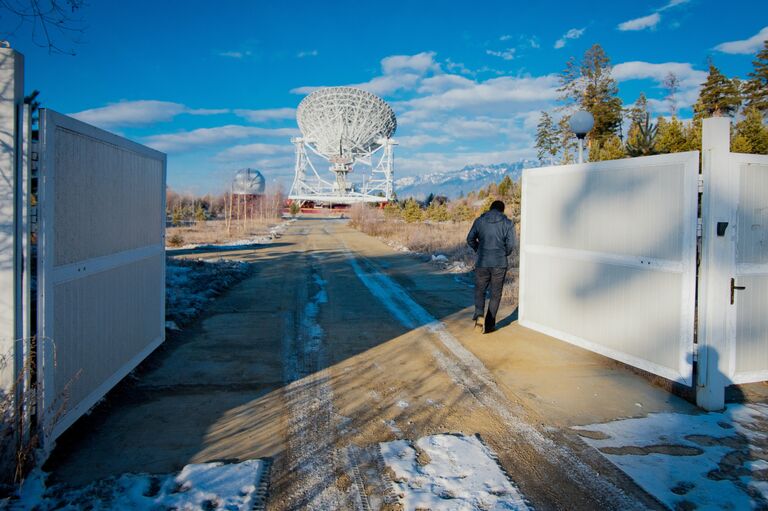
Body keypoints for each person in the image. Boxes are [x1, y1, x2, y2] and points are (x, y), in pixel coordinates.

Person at [466, 200, 516, 333]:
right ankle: (489, 325)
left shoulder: (479, 221)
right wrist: (503, 253)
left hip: (482, 262)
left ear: (490, 208)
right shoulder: (508, 223)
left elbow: (470, 239)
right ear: (502, 210)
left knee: (480, 290)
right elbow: (511, 245)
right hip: (499, 263)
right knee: (495, 294)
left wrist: (479, 249)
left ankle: (479, 315)